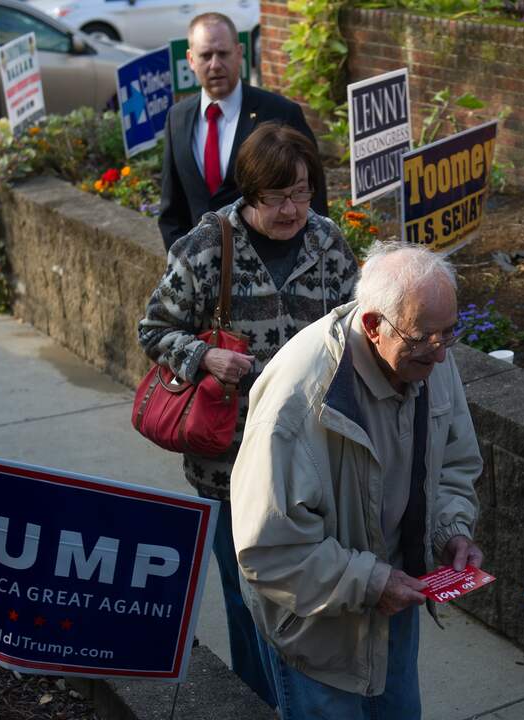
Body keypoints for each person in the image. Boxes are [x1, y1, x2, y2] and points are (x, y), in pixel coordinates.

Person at [137, 122, 358, 707]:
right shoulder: (206, 248)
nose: (292, 210)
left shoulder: (327, 242)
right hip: (230, 466)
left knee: (312, 594)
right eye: (277, 197)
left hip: (314, 458)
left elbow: (356, 326)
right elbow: (153, 329)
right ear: (249, 192)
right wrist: (203, 355)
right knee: (247, 598)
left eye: (303, 193)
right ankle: (259, 703)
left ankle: (309, 699)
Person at [230, 242, 483, 720]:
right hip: (317, 631)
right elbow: (267, 548)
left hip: (395, 601)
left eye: (450, 334)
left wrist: (451, 530)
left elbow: (455, 461)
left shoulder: (427, 355)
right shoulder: (297, 402)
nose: (442, 356)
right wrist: (369, 581)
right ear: (373, 326)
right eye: (426, 338)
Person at [158, 12, 328, 251]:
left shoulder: (280, 113)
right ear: (191, 59)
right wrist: (183, 266)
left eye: (223, 53)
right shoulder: (177, 118)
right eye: (206, 55)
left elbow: (314, 200)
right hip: (202, 276)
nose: (215, 64)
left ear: (239, 53)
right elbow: (171, 212)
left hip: (269, 273)